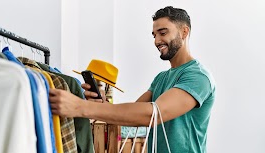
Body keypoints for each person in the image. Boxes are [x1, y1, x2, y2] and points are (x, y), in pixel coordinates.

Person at [50, 6, 216, 153]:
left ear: (184, 32)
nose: (157, 41)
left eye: (163, 33)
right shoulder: (161, 78)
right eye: (154, 35)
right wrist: (102, 105)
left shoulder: (198, 76)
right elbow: (134, 114)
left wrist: (80, 107)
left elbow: (154, 114)